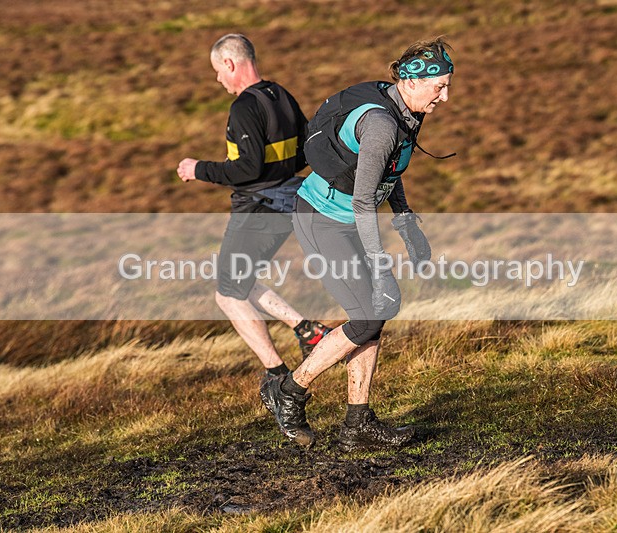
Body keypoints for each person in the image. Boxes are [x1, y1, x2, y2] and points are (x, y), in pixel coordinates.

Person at [260, 38, 454, 450]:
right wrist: (382, 266)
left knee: (376, 312)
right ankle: (290, 391)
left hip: (348, 219)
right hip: (322, 220)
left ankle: (357, 424)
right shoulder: (383, 124)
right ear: (411, 81)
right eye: (439, 87)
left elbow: (390, 171)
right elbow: (365, 199)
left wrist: (407, 225)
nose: (445, 97)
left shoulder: (406, 111)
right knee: (368, 315)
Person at [177, 34, 330, 381]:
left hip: (258, 209)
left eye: (218, 71)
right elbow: (306, 152)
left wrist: (197, 168)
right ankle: (307, 330)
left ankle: (277, 376)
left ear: (230, 64)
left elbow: (247, 168)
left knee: (228, 295)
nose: (218, 79)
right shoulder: (281, 95)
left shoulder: (244, 107)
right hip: (287, 204)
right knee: (239, 280)